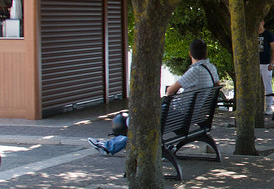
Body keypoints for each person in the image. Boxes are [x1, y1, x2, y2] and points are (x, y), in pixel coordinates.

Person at [88, 39, 221, 155]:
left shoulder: (195, 71)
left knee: (138, 122)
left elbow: (170, 91)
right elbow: (216, 85)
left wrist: (171, 89)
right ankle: (109, 145)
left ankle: (109, 146)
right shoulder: (211, 69)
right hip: (193, 115)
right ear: (206, 53)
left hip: (179, 115)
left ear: (190, 54)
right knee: (141, 125)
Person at [258, 20, 274, 112]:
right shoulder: (252, 34)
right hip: (255, 64)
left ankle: (269, 107)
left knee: (267, 85)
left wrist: (271, 63)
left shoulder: (268, 34)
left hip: (266, 64)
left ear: (263, 22)